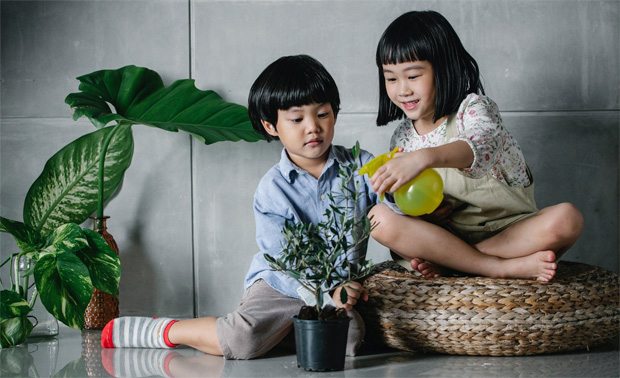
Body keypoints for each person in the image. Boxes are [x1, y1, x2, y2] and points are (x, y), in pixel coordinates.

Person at [100, 55, 379, 360]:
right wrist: (325, 295)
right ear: (271, 126)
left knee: (351, 340)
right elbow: (283, 262)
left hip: (335, 290)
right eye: (297, 119)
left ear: (335, 114)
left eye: (322, 114)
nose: (313, 127)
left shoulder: (360, 166)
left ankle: (278, 333)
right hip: (280, 285)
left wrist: (403, 173)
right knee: (243, 339)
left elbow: (392, 210)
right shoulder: (273, 190)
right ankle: (169, 330)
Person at [368, 10, 584, 282]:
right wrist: (428, 217)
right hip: (446, 237)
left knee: (568, 218)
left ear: (444, 69)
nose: (402, 90)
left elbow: (480, 146)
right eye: (391, 78)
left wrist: (422, 159)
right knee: (378, 218)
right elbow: (409, 207)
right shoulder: (402, 138)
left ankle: (463, 262)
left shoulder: (474, 109)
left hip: (510, 233)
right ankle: (495, 267)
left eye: (413, 76)